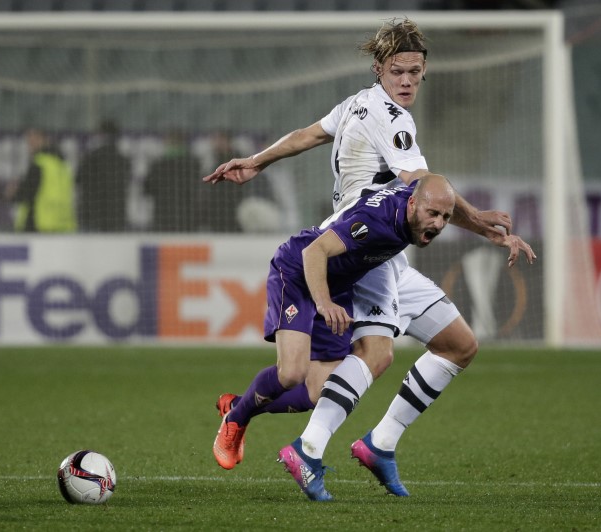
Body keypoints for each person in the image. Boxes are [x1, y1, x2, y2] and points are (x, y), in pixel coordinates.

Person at [204, 18, 536, 501]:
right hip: (361, 251)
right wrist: (482, 224)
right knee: (371, 356)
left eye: (415, 72)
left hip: (386, 253)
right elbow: (423, 189)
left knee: (457, 345)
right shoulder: (393, 119)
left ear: (424, 72)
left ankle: (379, 443)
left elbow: (306, 135)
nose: (406, 81)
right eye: (397, 71)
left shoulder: (355, 104)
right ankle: (307, 449)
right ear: (379, 69)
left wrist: (258, 161)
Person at [213, 175, 455, 479]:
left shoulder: (415, 201)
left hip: (335, 289)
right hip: (298, 275)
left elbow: (429, 186)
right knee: (291, 374)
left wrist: (485, 226)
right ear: (412, 204)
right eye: (433, 214)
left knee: (316, 394)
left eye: (446, 217)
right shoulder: (374, 221)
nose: (440, 223)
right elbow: (313, 252)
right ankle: (237, 418)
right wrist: (324, 303)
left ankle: (239, 404)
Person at [6, 128, 77, 233]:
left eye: (33, 140)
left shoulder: (40, 163)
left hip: (40, 224)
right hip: (63, 224)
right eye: (29, 141)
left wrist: (13, 194)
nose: (30, 145)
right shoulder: (62, 164)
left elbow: (28, 193)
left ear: (44, 140)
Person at [76, 120, 131, 232]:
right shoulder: (123, 161)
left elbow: (78, 180)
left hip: (92, 218)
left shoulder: (90, 158)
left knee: (90, 249)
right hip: (115, 220)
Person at [144, 129, 202, 232]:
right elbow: (199, 190)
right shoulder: (194, 164)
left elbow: (147, 189)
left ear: (167, 142)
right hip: (188, 218)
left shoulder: (158, 165)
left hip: (163, 218)